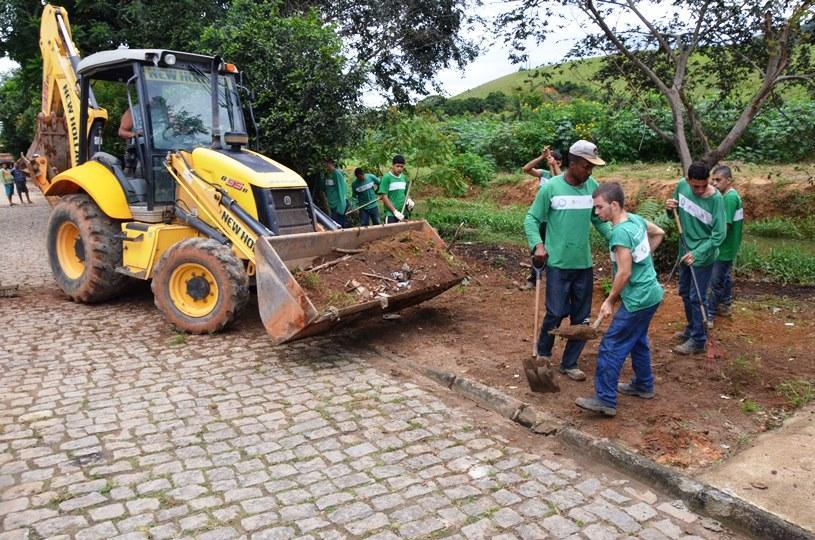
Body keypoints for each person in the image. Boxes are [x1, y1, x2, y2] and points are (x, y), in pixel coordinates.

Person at [524, 140, 612, 381]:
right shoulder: (551, 188)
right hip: (558, 264)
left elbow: (599, 221)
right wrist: (538, 245)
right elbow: (532, 219)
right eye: (586, 166)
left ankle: (570, 362)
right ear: (572, 164)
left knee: (582, 317)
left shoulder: (592, 187)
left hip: (583, 264)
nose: (590, 172)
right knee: (555, 313)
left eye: (592, 167)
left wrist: (616, 240)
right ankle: (543, 354)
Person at [575, 182, 665, 417]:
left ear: (614, 205)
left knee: (611, 345)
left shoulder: (619, 233)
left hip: (638, 299)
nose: (596, 213)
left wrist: (610, 300)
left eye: (599, 207)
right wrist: (641, 261)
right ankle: (643, 384)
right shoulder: (634, 220)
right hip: (652, 293)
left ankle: (605, 399)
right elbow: (658, 233)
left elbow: (624, 273)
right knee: (637, 340)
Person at [665, 162, 726, 355]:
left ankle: (699, 340)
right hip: (685, 249)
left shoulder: (716, 200)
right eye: (695, 186)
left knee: (697, 297)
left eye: (703, 185)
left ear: (708, 180)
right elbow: (672, 214)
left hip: (703, 255)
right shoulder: (682, 187)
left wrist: (698, 253)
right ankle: (692, 329)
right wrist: (669, 208)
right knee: (684, 292)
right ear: (687, 181)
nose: (699, 190)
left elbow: (719, 235)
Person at [522, 147, 563, 289]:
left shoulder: (563, 177)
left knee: (555, 250)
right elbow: (526, 169)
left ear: (560, 163)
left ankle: (554, 280)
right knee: (537, 250)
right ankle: (533, 279)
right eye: (550, 160)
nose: (551, 162)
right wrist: (541, 157)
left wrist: (554, 165)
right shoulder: (543, 175)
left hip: (556, 222)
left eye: (555, 161)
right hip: (541, 220)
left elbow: (557, 181)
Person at [707, 165, 742, 321]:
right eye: (713, 179)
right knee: (725, 276)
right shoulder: (727, 196)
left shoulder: (729, 198)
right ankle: (725, 304)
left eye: (718, 180)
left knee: (715, 281)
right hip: (729, 245)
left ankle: (709, 314)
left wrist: (710, 244)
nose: (714, 183)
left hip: (724, 248)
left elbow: (725, 227)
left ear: (728, 180)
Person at [378, 154, 414, 224]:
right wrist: (395, 212)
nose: (399, 168)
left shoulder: (403, 177)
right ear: (392, 165)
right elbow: (384, 197)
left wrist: (409, 200)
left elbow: (406, 193)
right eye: (397, 166)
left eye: (401, 166)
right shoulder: (386, 178)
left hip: (403, 213)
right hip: (391, 214)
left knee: (404, 234)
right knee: (391, 234)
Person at [318, 158, 349, 228]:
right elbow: (322, 187)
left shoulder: (336, 173)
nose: (324, 165)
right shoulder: (326, 175)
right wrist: (321, 176)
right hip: (332, 204)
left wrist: (341, 207)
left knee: (337, 225)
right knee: (335, 224)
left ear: (330, 163)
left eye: (325, 163)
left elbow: (342, 190)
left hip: (339, 204)